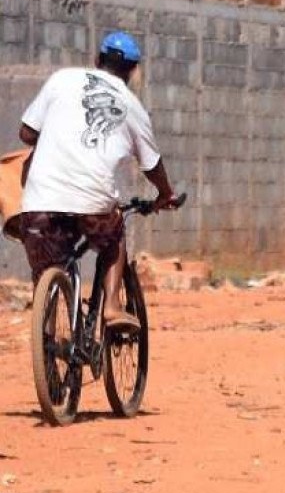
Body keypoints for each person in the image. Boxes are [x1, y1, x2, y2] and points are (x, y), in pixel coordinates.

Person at [18, 31, 180, 330]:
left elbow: (27, 133)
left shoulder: (61, 80)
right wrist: (165, 194)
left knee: (47, 266)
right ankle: (113, 307)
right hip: (93, 202)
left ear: (97, 59)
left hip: (39, 200)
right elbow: (152, 165)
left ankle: (50, 338)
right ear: (132, 71)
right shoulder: (131, 106)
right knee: (113, 237)